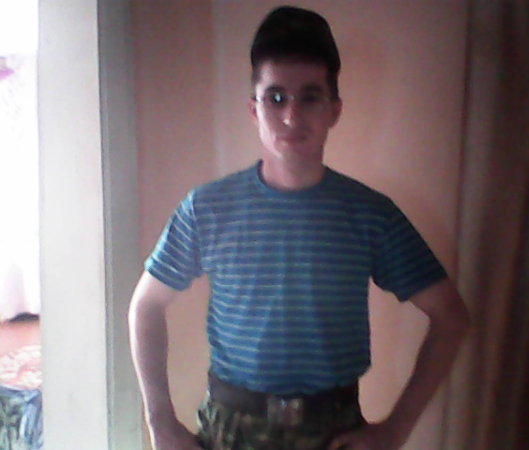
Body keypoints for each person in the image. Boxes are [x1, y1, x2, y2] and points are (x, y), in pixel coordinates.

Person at [128, 6, 470, 450]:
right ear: (253, 110)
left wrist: (396, 429)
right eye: (275, 98)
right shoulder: (207, 209)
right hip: (230, 433)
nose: (291, 117)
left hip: (333, 433)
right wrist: (160, 422)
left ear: (334, 110)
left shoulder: (370, 215)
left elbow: (451, 316)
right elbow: (146, 306)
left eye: (309, 97)